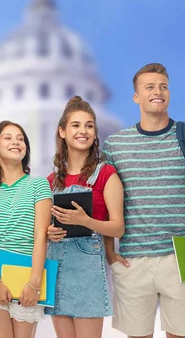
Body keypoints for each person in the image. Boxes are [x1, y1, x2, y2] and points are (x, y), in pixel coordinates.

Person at [103, 63, 185, 338]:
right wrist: (109, 251)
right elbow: (106, 203)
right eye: (150, 87)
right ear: (136, 97)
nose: (158, 92)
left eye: (163, 86)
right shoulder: (114, 145)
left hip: (180, 257)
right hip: (132, 259)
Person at [45, 96, 125, 338]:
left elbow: (118, 228)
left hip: (88, 269)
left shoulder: (106, 174)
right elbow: (43, 227)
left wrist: (85, 221)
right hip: (56, 268)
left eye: (89, 125)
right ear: (62, 131)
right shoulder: (51, 181)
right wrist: (49, 232)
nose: (83, 131)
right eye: (76, 125)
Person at [0, 121, 53, 338]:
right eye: (8, 137)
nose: (16, 142)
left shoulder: (39, 185)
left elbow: (40, 237)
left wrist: (34, 283)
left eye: (20, 138)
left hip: (29, 274)